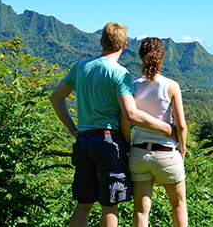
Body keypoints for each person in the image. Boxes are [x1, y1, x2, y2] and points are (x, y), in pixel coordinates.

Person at [49, 23, 174, 227]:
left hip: (84, 141)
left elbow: (56, 98)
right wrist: (165, 127)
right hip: (108, 142)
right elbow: (131, 113)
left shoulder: (80, 67)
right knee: (109, 206)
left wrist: (74, 129)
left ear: (101, 42)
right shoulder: (119, 73)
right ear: (124, 45)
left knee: (83, 205)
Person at [126, 37, 188, 227]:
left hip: (138, 153)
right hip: (166, 153)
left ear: (140, 56)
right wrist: (182, 150)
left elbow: (127, 121)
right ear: (162, 57)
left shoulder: (131, 84)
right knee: (178, 205)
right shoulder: (171, 85)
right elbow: (182, 125)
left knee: (140, 211)